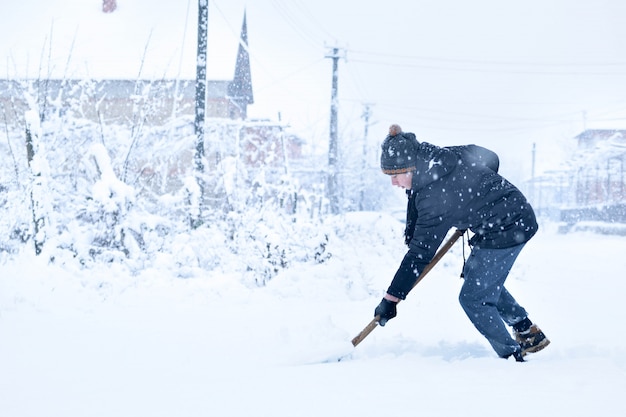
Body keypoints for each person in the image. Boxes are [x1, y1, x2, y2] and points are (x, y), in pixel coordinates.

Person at [374, 124, 550, 362]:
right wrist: (473, 202)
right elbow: (490, 157)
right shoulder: (445, 156)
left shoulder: (434, 198)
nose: (394, 183)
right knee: (477, 279)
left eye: (396, 176)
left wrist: (391, 299)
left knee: (474, 298)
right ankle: (526, 330)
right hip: (502, 218)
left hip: (510, 226)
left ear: (413, 168)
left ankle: (511, 357)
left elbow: (419, 255)